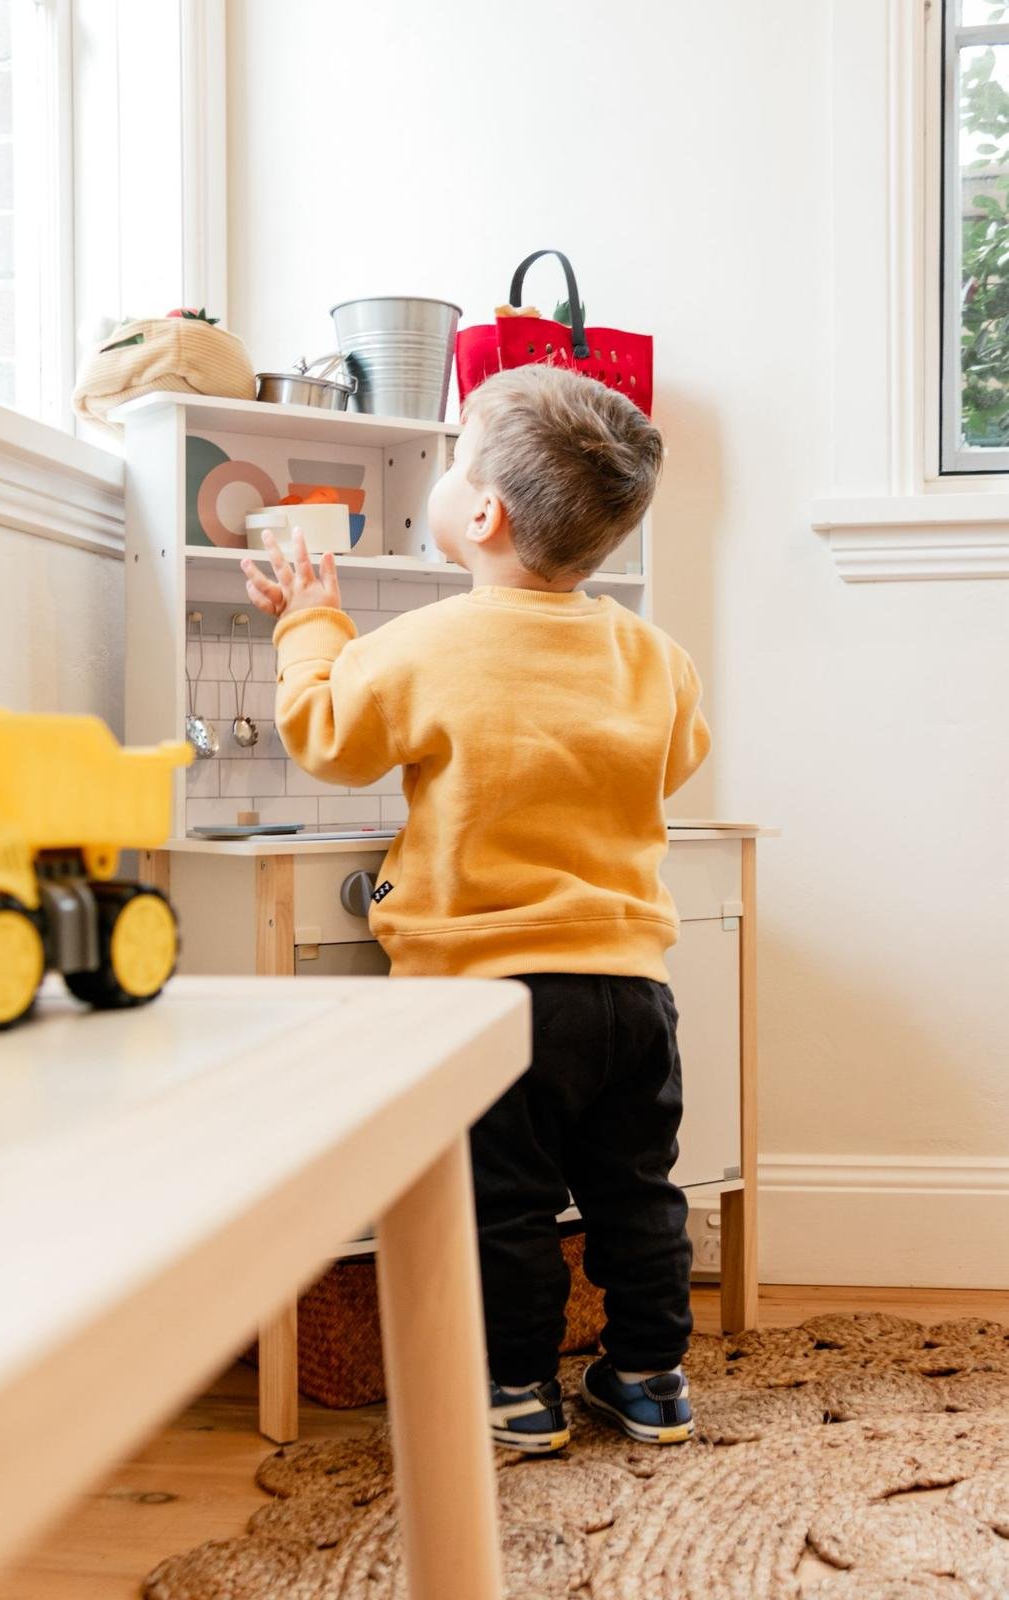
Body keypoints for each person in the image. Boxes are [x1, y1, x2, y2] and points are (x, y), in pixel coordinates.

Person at [242, 364, 711, 1453]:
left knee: (505, 1203)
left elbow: (327, 737)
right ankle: (650, 1376)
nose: (444, 481)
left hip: (489, 995)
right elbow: (676, 759)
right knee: (637, 1192)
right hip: (630, 991)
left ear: (486, 514)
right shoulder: (653, 655)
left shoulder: (424, 643)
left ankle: (516, 1389)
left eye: (454, 464)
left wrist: (310, 623)